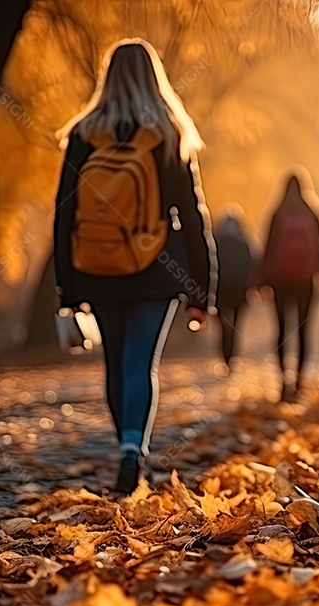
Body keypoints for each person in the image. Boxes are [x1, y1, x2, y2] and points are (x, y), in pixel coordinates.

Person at [53, 39, 216, 494]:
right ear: (153, 77)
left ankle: (125, 445)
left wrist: (67, 287)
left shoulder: (85, 133)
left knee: (115, 362)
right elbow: (192, 215)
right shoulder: (167, 133)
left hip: (96, 267)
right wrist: (202, 289)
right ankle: (133, 449)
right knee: (139, 362)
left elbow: (64, 213)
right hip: (156, 269)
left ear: (108, 78)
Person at [259, 169, 319, 402]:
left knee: (282, 330)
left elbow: (267, 249)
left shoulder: (277, 213)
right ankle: (300, 380)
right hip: (306, 281)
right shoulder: (313, 213)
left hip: (280, 281)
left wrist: (262, 281)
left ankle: (283, 381)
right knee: (304, 331)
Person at [212, 205, 255, 368]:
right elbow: (250, 266)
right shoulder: (244, 242)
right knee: (236, 325)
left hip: (219, 290)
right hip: (239, 291)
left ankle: (225, 355)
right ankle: (232, 355)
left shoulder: (215, 242)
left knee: (222, 325)